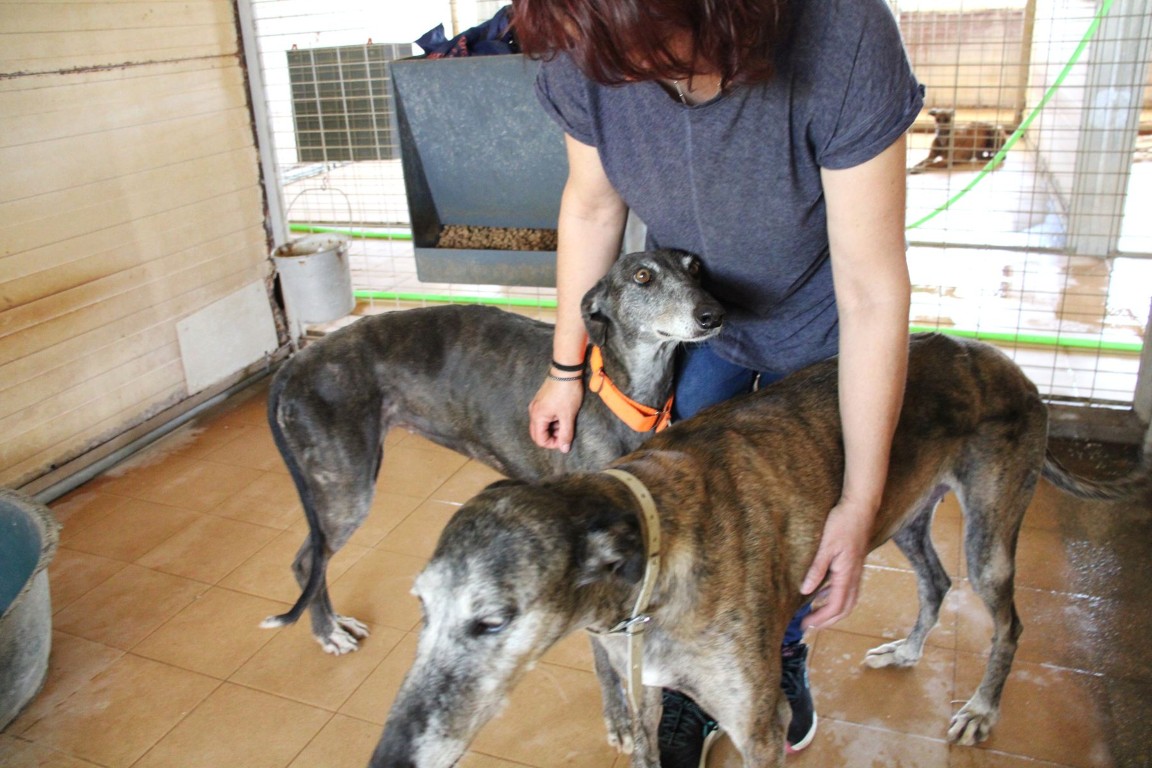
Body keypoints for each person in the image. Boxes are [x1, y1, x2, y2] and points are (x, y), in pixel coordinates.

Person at [514, 0, 922, 764]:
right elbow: (592, 205)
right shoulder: (587, 35)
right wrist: (566, 368)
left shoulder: (844, 34)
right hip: (705, 320)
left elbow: (873, 291)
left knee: (798, 526)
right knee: (691, 508)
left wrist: (860, 501)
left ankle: (782, 650)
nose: (631, 80)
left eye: (653, 55)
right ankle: (690, 678)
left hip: (823, 327)